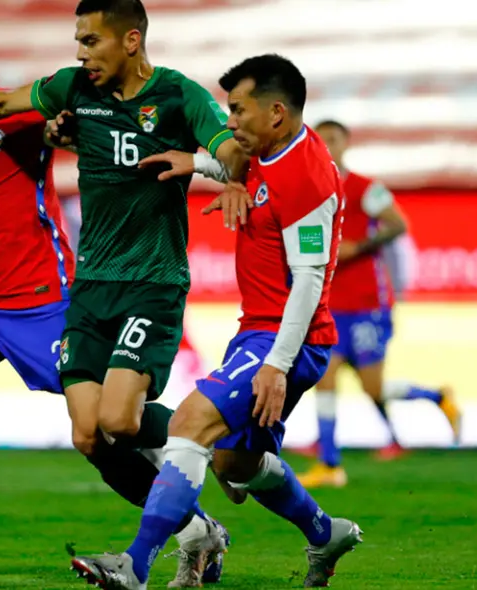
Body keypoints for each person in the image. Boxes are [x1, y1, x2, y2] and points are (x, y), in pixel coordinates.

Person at [0, 3, 252, 582]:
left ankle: (206, 476)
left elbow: (84, 129)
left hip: (47, 303)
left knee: (104, 426)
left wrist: (66, 133)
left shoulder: (30, 112)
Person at [67, 54, 364, 590]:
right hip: (260, 330)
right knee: (234, 462)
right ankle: (326, 532)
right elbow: (240, 167)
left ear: (276, 112)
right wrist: (201, 165)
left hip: (285, 338)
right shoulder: (275, 152)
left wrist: (275, 365)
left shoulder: (308, 177)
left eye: (237, 109)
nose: (228, 122)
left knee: (188, 426)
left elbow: (310, 279)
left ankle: (135, 565)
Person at [296, 120, 461, 488]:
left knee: (373, 389)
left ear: (345, 144)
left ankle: (436, 397)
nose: (327, 146)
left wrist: (358, 248)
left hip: (368, 302)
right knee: (325, 377)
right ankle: (329, 463)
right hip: (329, 304)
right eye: (320, 140)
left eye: (333, 139)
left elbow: (398, 224)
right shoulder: (309, 191)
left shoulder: (365, 189)